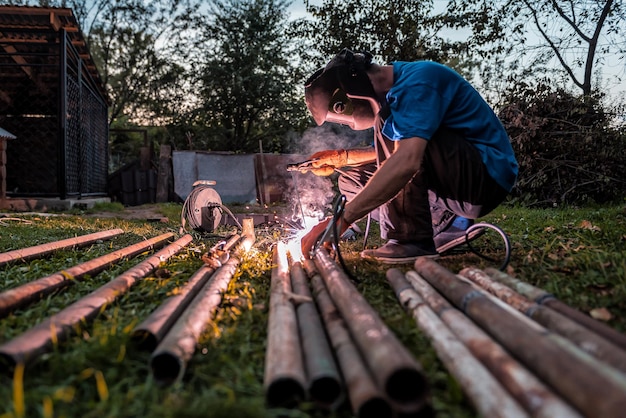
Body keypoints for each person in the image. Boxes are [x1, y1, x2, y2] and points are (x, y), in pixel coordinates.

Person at [299, 49, 518, 263]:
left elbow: (405, 159)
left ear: (348, 91)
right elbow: (385, 154)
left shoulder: (418, 81)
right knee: (351, 181)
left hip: (485, 178)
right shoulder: (394, 101)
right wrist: (340, 158)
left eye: (339, 110)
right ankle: (443, 225)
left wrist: (343, 219)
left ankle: (411, 241)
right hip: (456, 175)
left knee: (397, 148)